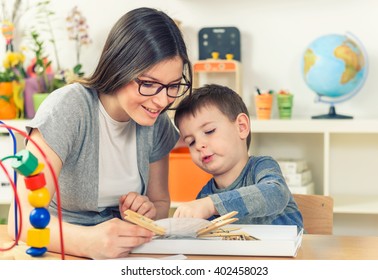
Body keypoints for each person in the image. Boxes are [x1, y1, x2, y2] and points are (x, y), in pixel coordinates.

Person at [7, 7, 192, 259]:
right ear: (119, 67)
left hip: (124, 257)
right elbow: (20, 218)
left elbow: (160, 205)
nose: (162, 101)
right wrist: (86, 242)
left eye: (173, 86)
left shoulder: (156, 122)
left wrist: (145, 213)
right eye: (149, 84)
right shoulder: (70, 108)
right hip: (59, 253)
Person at [172, 84, 303, 230]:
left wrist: (212, 205)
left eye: (209, 131)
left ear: (241, 127)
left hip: (289, 251)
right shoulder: (204, 196)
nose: (199, 145)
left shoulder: (261, 167)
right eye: (191, 141)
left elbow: (276, 194)